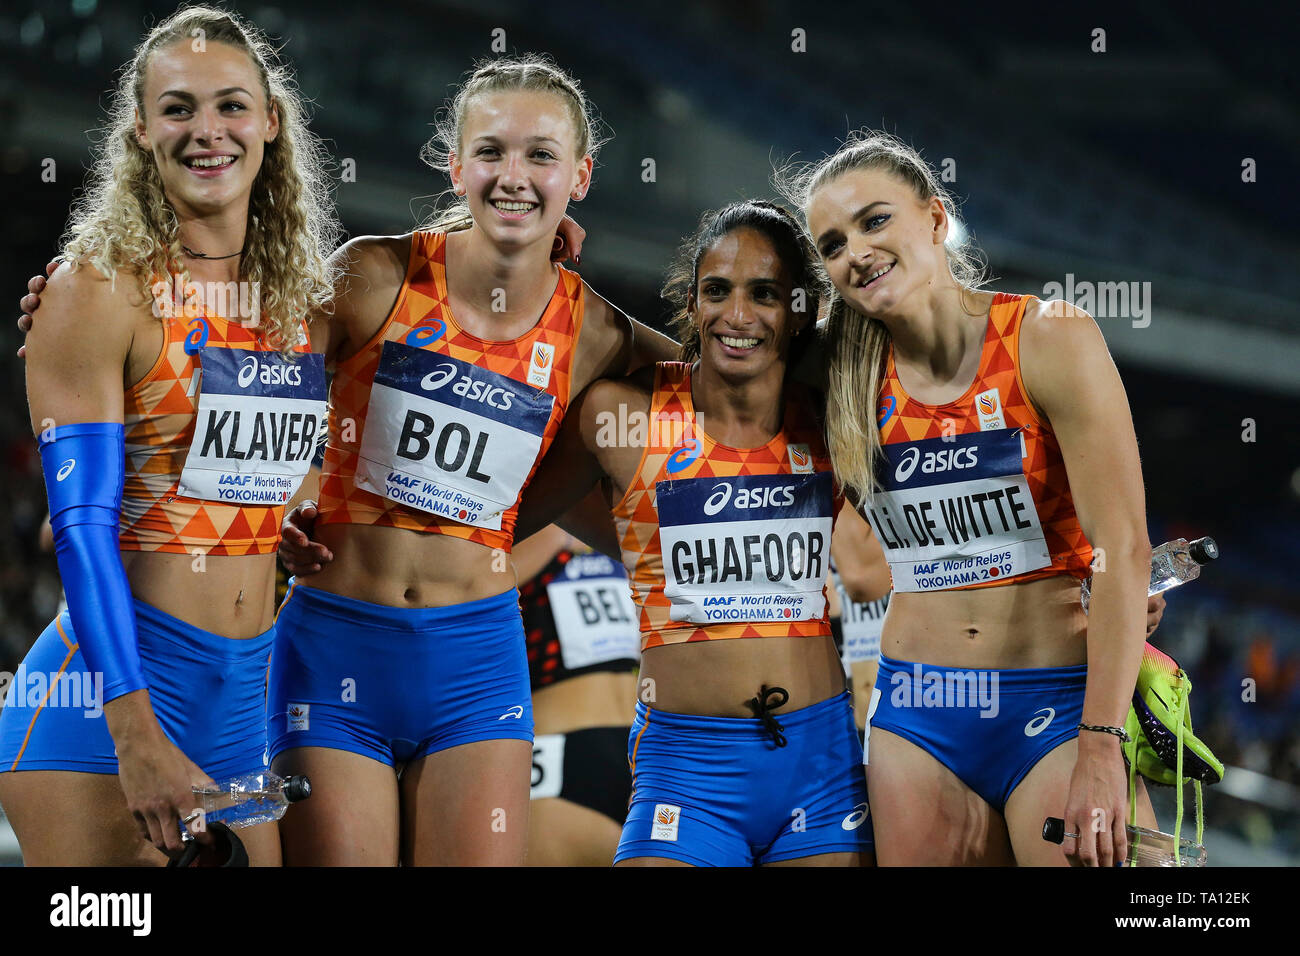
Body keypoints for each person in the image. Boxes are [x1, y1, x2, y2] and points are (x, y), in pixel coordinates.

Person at [265, 55, 675, 865]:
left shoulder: (596, 334)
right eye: (490, 152)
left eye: (541, 157)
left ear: (580, 176)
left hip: (477, 666)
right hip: (335, 648)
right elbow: (257, 391)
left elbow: (741, 379)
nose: (512, 176)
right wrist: (277, 504)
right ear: (455, 166)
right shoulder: (371, 277)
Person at [0, 6, 337, 865]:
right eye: (178, 107)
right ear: (142, 129)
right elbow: (77, 529)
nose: (206, 130)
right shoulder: (98, 290)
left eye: (230, 105)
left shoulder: (301, 306)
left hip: (243, 700)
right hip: (106, 704)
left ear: (270, 122)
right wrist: (133, 731)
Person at [786, 129, 1156, 866]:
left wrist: (1103, 745)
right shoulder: (830, 371)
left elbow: (1127, 549)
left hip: (1056, 707)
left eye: (874, 221)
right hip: (916, 720)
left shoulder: (1047, 338)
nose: (854, 251)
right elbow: (694, 375)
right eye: (831, 244)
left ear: (934, 217)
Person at [511, 200, 873, 867]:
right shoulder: (620, 417)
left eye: (763, 294)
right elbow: (497, 521)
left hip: (821, 769)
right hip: (686, 775)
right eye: (717, 291)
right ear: (691, 302)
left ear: (800, 312)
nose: (737, 316)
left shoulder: (836, 420)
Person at [512, 525, 639, 866]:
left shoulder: (616, 533)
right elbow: (455, 598)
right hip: (559, 756)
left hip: (640, 757)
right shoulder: (528, 532)